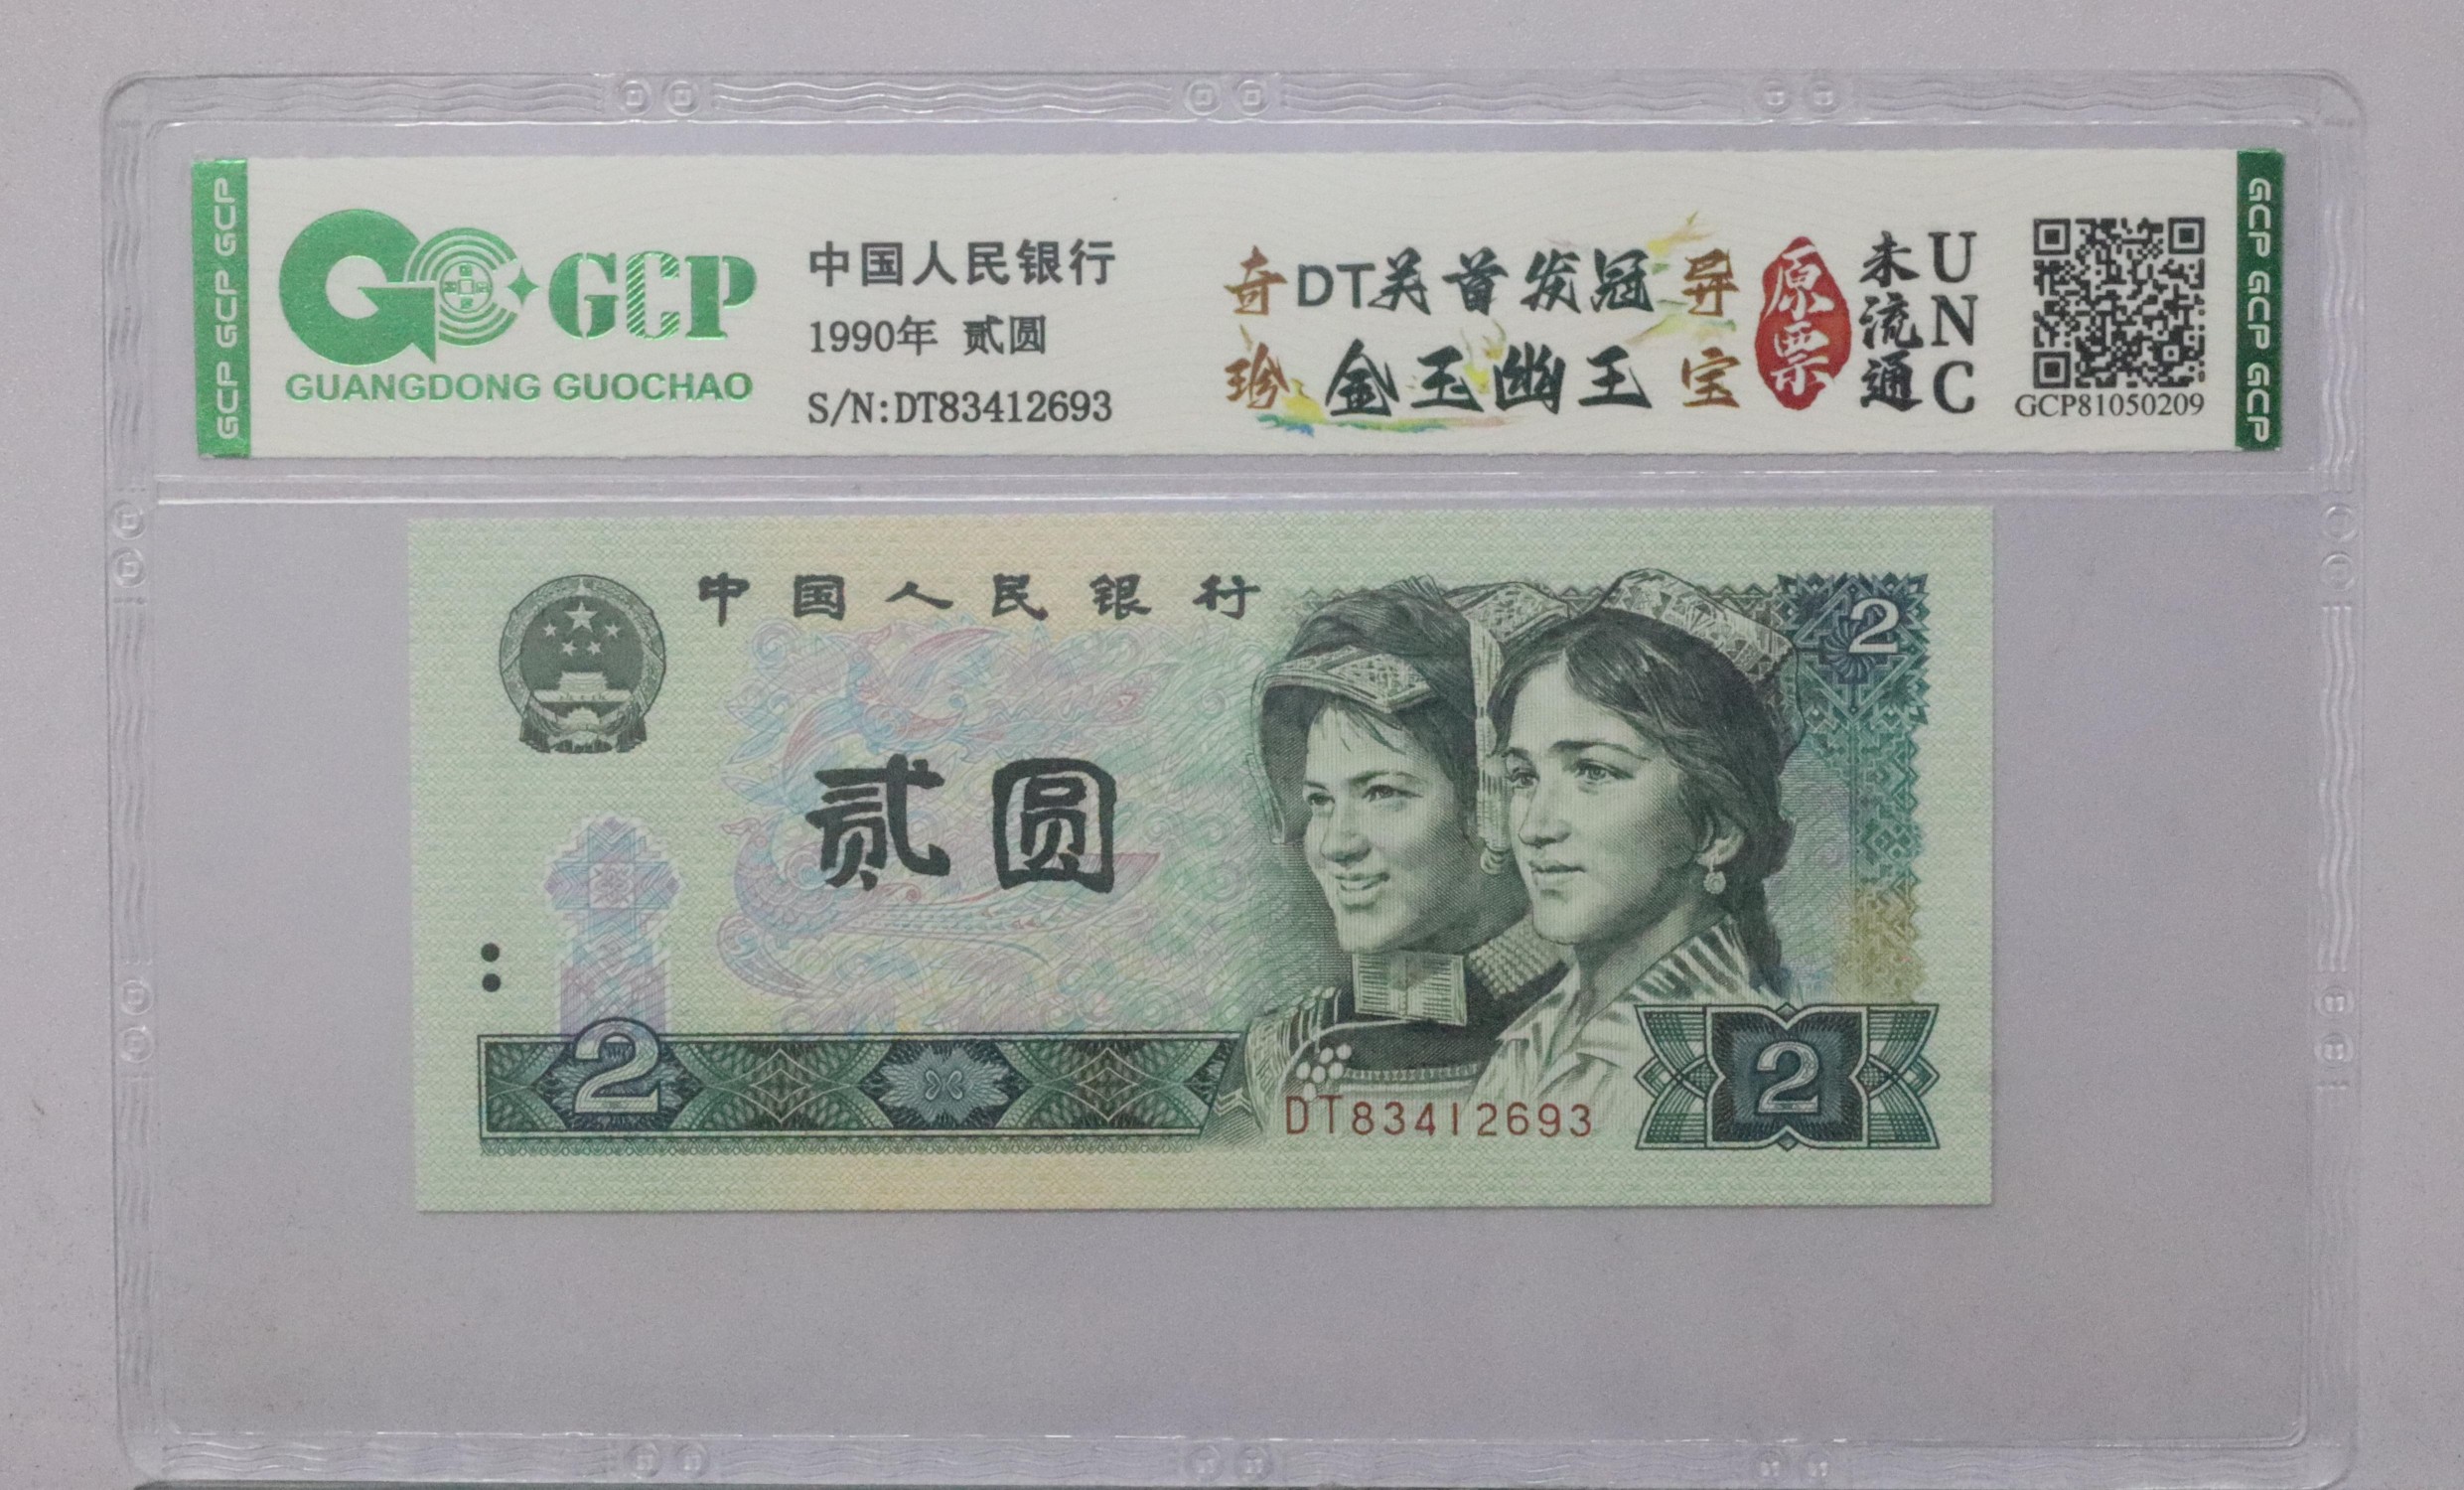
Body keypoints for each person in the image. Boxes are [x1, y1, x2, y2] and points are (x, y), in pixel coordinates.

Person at [1210, 579, 1568, 1136]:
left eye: (1381, 793)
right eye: (1320, 802)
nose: (1335, 844)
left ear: (1492, 803)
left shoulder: (1604, 1029)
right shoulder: (1280, 1053)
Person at [1470, 569, 1796, 1143]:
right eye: (1524, 777)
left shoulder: (1734, 1067)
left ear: (1715, 829)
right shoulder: (1533, 1037)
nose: (1534, 827)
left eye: (1593, 771)